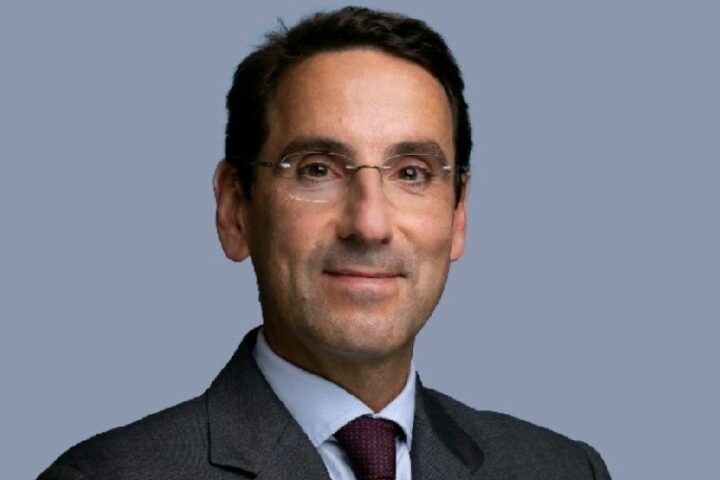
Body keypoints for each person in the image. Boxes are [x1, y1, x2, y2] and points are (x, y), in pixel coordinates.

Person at [38, 6, 611, 480]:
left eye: (411, 173)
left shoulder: (561, 469)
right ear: (235, 210)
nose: (369, 224)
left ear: (458, 214)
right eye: (317, 169)